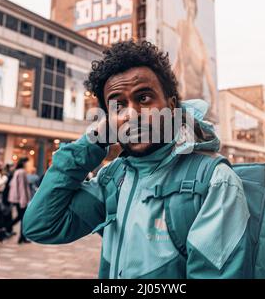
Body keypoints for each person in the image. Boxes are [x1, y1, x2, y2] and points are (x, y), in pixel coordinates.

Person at [23, 41, 252, 278]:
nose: (131, 115)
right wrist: (94, 140)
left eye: (143, 98)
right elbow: (41, 225)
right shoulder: (113, 180)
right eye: (118, 105)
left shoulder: (215, 181)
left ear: (171, 106)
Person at [9, 157, 32, 244]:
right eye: (27, 163)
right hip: (21, 199)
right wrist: (23, 201)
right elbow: (22, 188)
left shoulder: (17, 171)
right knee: (23, 218)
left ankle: (21, 237)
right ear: (23, 163)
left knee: (21, 217)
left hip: (17, 199)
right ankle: (6, 228)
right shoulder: (22, 172)